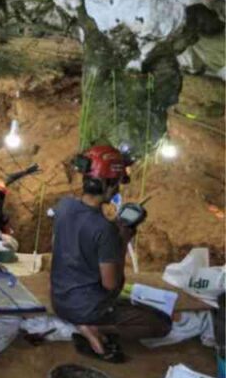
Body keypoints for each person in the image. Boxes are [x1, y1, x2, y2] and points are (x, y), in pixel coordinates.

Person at [51, 145, 170, 362]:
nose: (117, 189)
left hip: (59, 300)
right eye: (117, 183)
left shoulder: (64, 205)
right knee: (161, 324)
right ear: (109, 183)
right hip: (86, 308)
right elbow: (111, 284)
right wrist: (121, 242)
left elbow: (82, 231)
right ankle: (93, 327)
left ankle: (86, 324)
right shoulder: (104, 230)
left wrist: (112, 229)